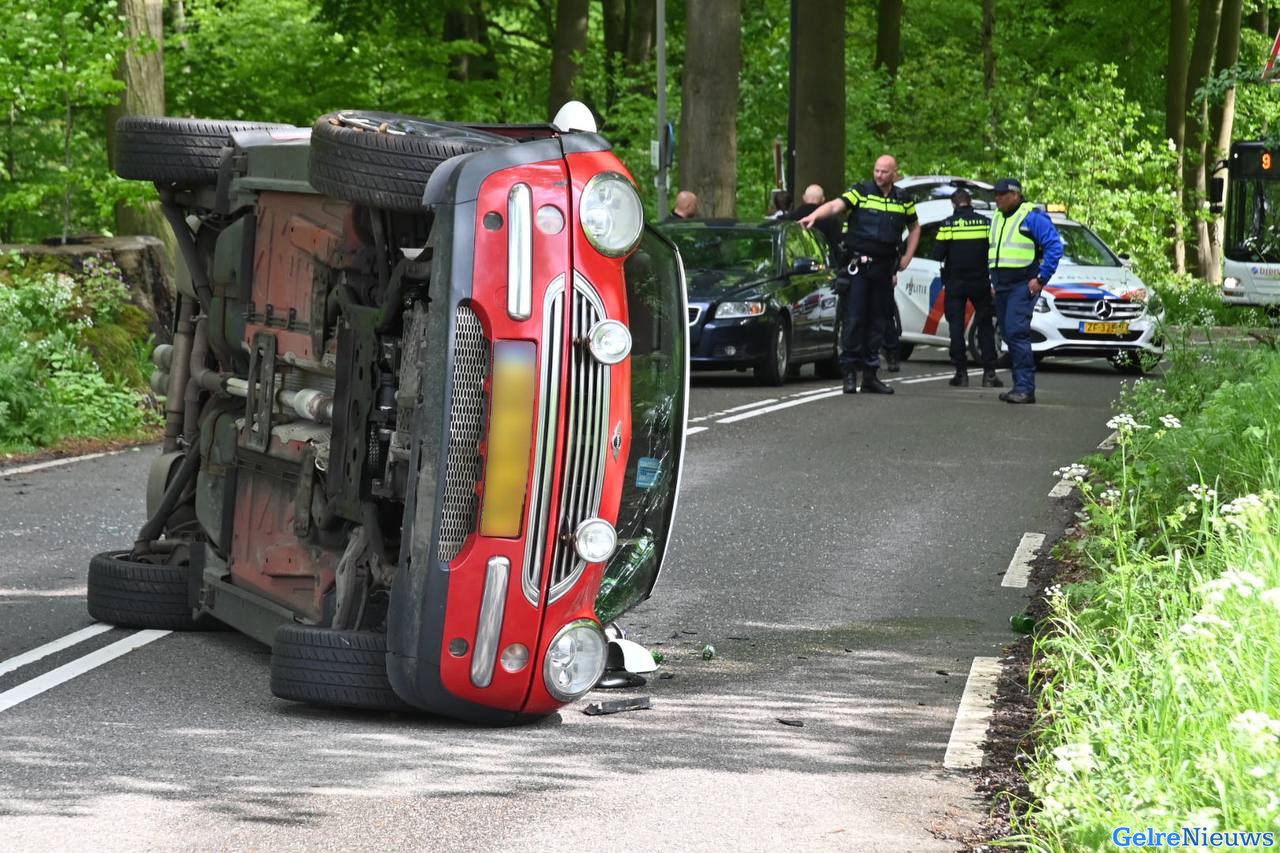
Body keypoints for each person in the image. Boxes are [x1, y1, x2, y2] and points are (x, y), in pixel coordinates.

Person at [799, 154, 920, 395]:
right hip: (858, 268)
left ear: (895, 173)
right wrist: (815, 215)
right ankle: (849, 375)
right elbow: (835, 205)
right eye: (876, 170)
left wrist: (908, 257)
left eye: (884, 172)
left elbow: (915, 226)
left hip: (884, 270)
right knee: (854, 320)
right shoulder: (861, 191)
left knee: (877, 322)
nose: (879, 175)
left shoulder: (903, 199)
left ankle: (870, 376)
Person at [988, 177, 1063, 404]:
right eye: (996, 194)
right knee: (1008, 333)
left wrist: (1041, 278)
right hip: (1002, 285)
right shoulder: (998, 217)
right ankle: (1019, 385)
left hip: (1022, 284)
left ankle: (1024, 388)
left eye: (1002, 194)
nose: (997, 198)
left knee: (1016, 332)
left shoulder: (1032, 216)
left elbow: (1054, 246)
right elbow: (994, 252)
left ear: (1016, 195)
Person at [933, 188, 1001, 388]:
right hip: (980, 281)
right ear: (970, 202)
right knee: (985, 325)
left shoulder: (948, 224)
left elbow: (937, 254)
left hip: (956, 283)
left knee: (956, 326)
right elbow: (994, 251)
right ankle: (989, 374)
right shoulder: (985, 223)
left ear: (954, 204)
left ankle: (961, 374)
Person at [786, 184, 842, 265]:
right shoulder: (831, 221)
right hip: (823, 267)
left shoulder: (790, 218)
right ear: (823, 199)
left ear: (804, 198)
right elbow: (835, 248)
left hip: (794, 266)